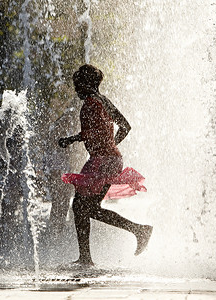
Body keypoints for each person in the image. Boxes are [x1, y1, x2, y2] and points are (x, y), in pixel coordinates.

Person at [59, 64, 153, 266]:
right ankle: (135, 232)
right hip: (108, 159)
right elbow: (125, 127)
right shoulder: (104, 101)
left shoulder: (91, 104)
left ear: (85, 84)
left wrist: (71, 140)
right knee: (85, 207)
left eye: (78, 85)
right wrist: (110, 147)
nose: (76, 90)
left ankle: (137, 231)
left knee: (83, 206)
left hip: (102, 161)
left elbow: (91, 134)